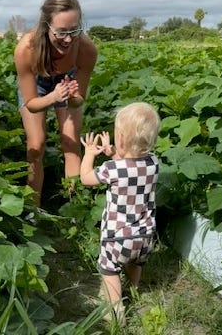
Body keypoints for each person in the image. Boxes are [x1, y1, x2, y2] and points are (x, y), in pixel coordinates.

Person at [79, 102, 161, 325]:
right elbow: (131, 165)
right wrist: (115, 152)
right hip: (144, 236)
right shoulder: (153, 163)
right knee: (135, 263)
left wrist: (89, 154)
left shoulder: (111, 169)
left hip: (117, 237)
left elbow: (85, 178)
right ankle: (134, 290)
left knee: (109, 271)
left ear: (122, 138)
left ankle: (116, 313)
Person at [14, 0, 98, 206]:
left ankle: (74, 207)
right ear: (46, 26)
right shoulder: (26, 49)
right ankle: (34, 210)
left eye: (74, 30)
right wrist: (53, 97)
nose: (69, 39)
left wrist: (71, 97)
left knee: (70, 144)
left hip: (67, 81)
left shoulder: (86, 50)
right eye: (61, 32)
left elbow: (79, 100)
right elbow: (32, 104)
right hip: (38, 85)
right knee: (36, 146)